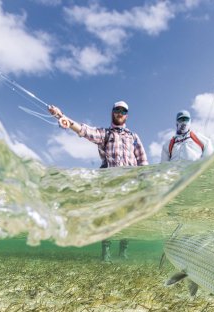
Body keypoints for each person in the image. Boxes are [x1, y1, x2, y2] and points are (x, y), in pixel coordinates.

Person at [48, 101, 148, 262]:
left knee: (127, 220)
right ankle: (106, 255)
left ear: (127, 115)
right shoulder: (105, 134)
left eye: (123, 111)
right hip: (109, 186)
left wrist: (146, 185)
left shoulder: (134, 137)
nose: (120, 113)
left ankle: (123, 253)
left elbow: (143, 161)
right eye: (117, 110)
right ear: (112, 112)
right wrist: (61, 116)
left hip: (131, 186)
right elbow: (84, 131)